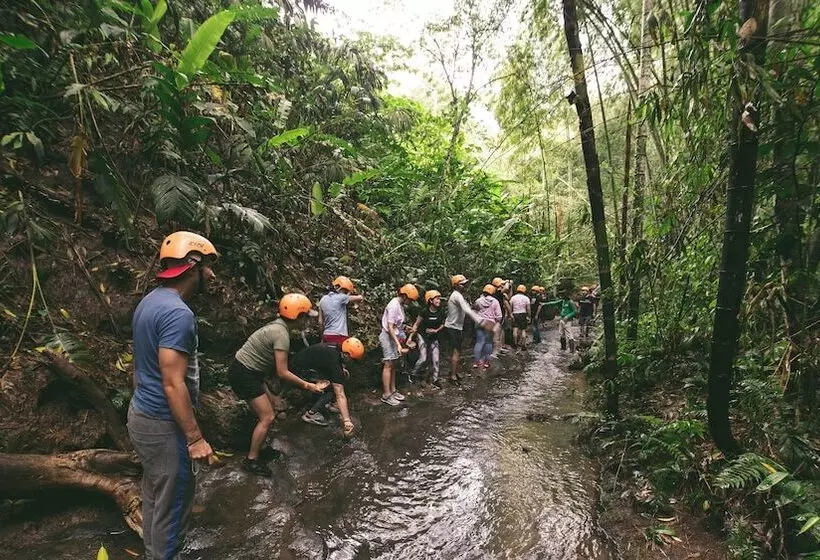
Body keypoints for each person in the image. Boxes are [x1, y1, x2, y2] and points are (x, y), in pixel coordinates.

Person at [127, 231, 218, 560]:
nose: (212, 274)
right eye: (208, 266)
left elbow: (141, 366)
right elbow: (172, 382)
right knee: (175, 506)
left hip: (141, 416)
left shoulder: (151, 300)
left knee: (155, 497)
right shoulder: (179, 314)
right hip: (163, 425)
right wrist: (194, 438)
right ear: (192, 267)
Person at [228, 293, 325, 477]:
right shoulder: (281, 335)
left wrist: (270, 392)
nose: (307, 322)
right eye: (305, 317)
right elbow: (282, 372)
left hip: (248, 371)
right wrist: (307, 385)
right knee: (268, 417)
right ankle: (251, 460)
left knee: (269, 410)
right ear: (298, 316)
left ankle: (260, 447)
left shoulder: (277, 326)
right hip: (244, 373)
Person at [290, 337, 365, 437]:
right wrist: (347, 421)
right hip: (298, 371)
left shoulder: (336, 348)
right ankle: (311, 414)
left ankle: (328, 404)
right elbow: (340, 394)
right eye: (353, 360)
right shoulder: (334, 360)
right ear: (347, 355)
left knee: (341, 377)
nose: (352, 363)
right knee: (332, 389)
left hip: (302, 364)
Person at [444, 274, 488, 384]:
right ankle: (453, 376)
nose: (464, 286)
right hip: (452, 327)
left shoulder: (458, 295)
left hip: (456, 327)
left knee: (458, 351)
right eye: (462, 284)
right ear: (456, 285)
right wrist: (479, 320)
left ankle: (455, 372)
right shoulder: (456, 296)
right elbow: (467, 310)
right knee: (455, 351)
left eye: (465, 284)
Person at [379, 284, 418, 406]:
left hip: (394, 336)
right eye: (410, 300)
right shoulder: (393, 305)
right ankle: (386, 395)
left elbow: (397, 325)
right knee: (388, 364)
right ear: (404, 295)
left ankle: (393, 390)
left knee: (394, 365)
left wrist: (406, 328)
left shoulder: (400, 305)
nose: (410, 302)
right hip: (387, 336)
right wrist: (398, 344)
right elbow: (390, 327)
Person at [409, 290, 446, 389]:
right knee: (423, 358)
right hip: (422, 335)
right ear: (430, 300)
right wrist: (410, 337)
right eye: (437, 299)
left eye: (439, 299)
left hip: (434, 336)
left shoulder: (441, 311)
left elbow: (443, 323)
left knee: (436, 359)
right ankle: (413, 374)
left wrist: (436, 330)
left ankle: (435, 379)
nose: (439, 301)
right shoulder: (424, 312)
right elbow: (416, 324)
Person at [318, 276, 364, 346]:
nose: (345, 293)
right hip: (340, 336)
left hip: (326, 335)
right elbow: (360, 298)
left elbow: (320, 322)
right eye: (345, 291)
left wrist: (322, 336)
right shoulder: (342, 297)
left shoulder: (322, 299)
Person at [473, 284, 502, 368]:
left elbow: (474, 311)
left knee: (479, 342)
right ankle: (486, 362)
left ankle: (476, 362)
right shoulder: (495, 301)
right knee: (488, 343)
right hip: (490, 323)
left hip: (480, 322)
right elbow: (499, 316)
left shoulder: (478, 301)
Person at [510, 284, 531, 349]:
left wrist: (510, 314)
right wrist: (529, 316)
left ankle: (515, 344)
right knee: (523, 330)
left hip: (515, 313)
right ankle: (523, 345)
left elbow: (511, 307)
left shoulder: (513, 297)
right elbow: (528, 308)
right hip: (523, 314)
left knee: (515, 329)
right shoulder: (526, 298)